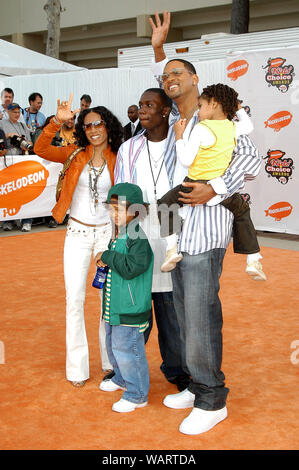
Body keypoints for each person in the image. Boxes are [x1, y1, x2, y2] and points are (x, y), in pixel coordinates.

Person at [148, 11, 262, 435]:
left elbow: (250, 160)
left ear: (196, 79)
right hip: (182, 232)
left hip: (208, 231)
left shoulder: (219, 113)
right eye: (165, 77)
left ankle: (213, 399)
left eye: (177, 73)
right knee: (182, 312)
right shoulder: (180, 120)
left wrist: (215, 187)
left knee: (198, 314)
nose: (169, 79)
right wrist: (159, 48)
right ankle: (197, 386)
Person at [34, 93, 123, 388]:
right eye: (87, 125)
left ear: (108, 126)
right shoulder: (74, 153)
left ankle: (111, 364)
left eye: (98, 123)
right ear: (82, 130)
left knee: (107, 302)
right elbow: (41, 148)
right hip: (77, 233)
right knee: (74, 300)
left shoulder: (120, 157)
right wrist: (55, 123)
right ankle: (77, 368)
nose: (93, 129)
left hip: (107, 237)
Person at [115, 87, 190, 391]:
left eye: (150, 105)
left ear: (165, 112)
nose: (142, 110)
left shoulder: (182, 143)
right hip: (139, 235)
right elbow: (120, 193)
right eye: (140, 105)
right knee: (134, 307)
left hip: (174, 237)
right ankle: (126, 372)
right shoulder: (128, 148)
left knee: (171, 311)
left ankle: (178, 371)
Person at [158, 84, 265, 279]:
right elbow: (249, 126)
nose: (198, 111)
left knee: (164, 205)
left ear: (214, 104)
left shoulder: (201, 128)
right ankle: (253, 260)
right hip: (220, 189)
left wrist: (179, 136)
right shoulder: (234, 127)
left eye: (201, 105)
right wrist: (238, 109)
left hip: (192, 185)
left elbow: (186, 159)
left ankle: (171, 249)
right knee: (242, 213)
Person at [96, 183, 153, 412]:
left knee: (127, 350)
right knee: (113, 345)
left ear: (137, 211)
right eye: (112, 208)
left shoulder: (137, 235)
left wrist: (108, 255)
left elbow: (132, 268)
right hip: (115, 306)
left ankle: (137, 394)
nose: (114, 214)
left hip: (130, 308)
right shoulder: (121, 233)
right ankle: (121, 378)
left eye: (121, 209)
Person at [0, 102, 33, 232]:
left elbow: (30, 142)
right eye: (14, 112)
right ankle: (8, 220)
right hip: (6, 161)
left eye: (18, 112)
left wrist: (23, 142)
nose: (17, 114)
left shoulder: (23, 125)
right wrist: (9, 136)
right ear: (8, 112)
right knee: (9, 191)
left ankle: (27, 220)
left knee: (25, 191)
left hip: (21, 160)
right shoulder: (2, 123)